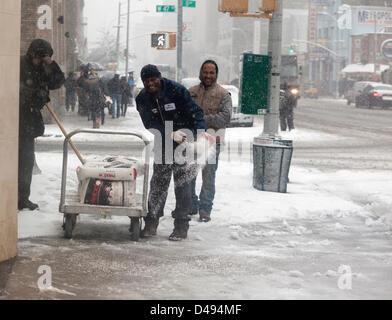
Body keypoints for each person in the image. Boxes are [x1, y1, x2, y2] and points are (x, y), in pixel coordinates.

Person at [136, 64, 207, 241]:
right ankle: (151, 222)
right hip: (163, 142)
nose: (150, 83)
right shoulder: (143, 98)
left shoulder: (176, 90)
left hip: (185, 141)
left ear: (159, 77)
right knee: (158, 184)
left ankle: (181, 226)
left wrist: (198, 135)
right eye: (146, 81)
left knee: (183, 185)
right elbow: (149, 123)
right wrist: (169, 133)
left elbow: (196, 113)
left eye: (153, 79)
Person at [19, 39, 65, 210]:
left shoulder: (44, 68)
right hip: (14, 118)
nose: (40, 61)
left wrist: (50, 64)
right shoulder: (19, 64)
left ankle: (22, 199)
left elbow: (58, 82)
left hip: (29, 122)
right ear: (32, 54)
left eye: (44, 58)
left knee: (26, 163)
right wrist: (34, 94)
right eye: (39, 57)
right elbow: (15, 88)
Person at [188, 60, 232, 222]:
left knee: (208, 178)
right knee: (189, 175)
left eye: (211, 72)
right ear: (201, 73)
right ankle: (190, 205)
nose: (208, 75)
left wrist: (201, 119)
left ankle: (205, 209)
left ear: (216, 74)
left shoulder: (223, 94)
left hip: (213, 144)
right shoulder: (191, 92)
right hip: (191, 141)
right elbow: (183, 113)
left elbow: (225, 117)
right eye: (205, 72)